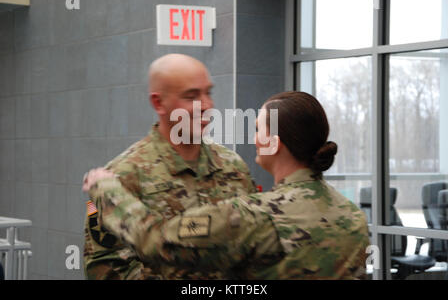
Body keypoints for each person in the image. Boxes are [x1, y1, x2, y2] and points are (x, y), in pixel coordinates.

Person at [84, 91, 370, 279]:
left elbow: (157, 239)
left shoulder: (252, 215)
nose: (254, 136)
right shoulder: (353, 216)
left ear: (274, 144)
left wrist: (107, 189)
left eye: (258, 129)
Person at [82, 54, 257, 280]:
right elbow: (103, 266)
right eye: (191, 96)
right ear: (158, 103)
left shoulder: (233, 166)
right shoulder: (119, 176)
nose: (207, 105)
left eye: (208, 93)